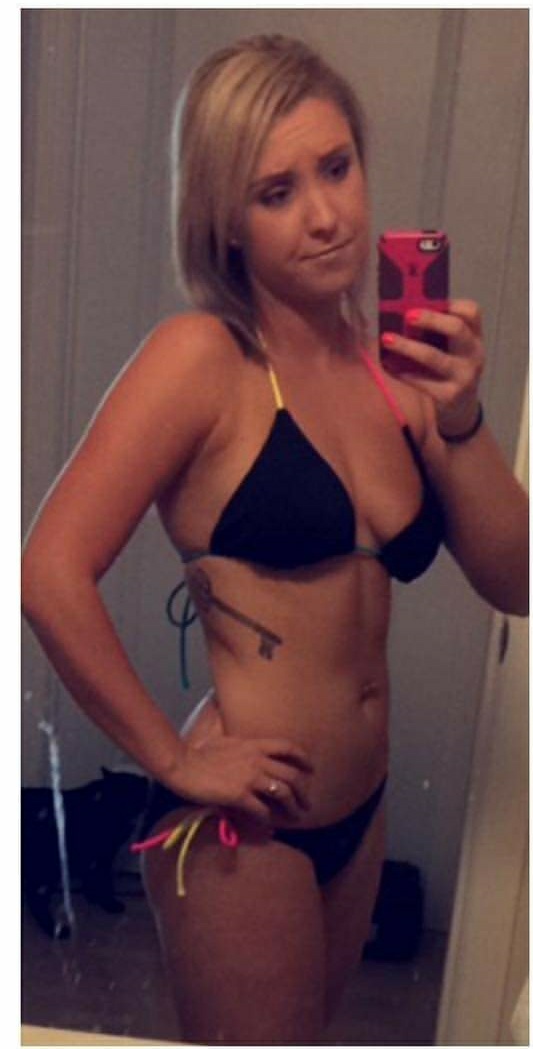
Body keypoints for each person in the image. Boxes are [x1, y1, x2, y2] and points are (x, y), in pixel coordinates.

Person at [22, 33, 528, 1046]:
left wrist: (462, 417)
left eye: (336, 167)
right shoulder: (200, 359)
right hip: (244, 828)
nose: (324, 215)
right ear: (225, 219)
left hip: (360, 804)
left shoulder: (392, 370)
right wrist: (172, 756)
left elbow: (514, 579)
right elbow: (48, 571)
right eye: (276, 191)